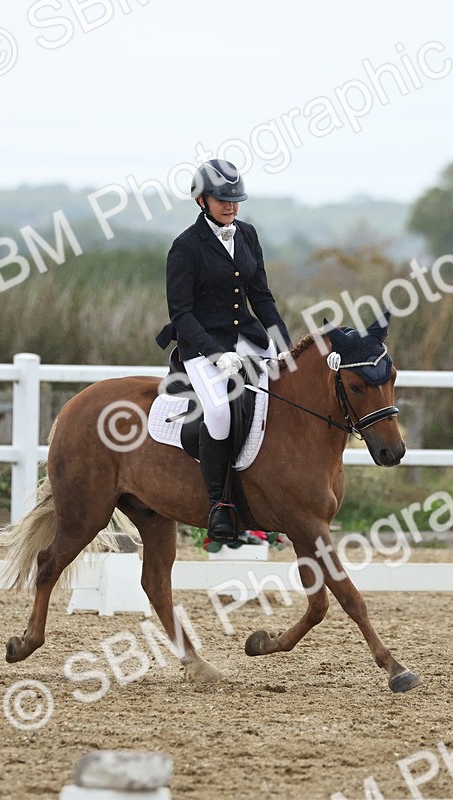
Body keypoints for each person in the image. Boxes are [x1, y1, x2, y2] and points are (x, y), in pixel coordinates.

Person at [155, 159, 291, 542]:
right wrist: (216, 354)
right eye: (221, 200)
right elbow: (181, 314)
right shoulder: (185, 247)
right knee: (218, 411)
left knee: (281, 399)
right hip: (201, 346)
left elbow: (261, 297)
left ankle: (275, 494)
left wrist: (283, 344)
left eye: (235, 201)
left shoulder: (247, 235)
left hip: (246, 338)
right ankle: (220, 505)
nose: (230, 207)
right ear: (201, 201)